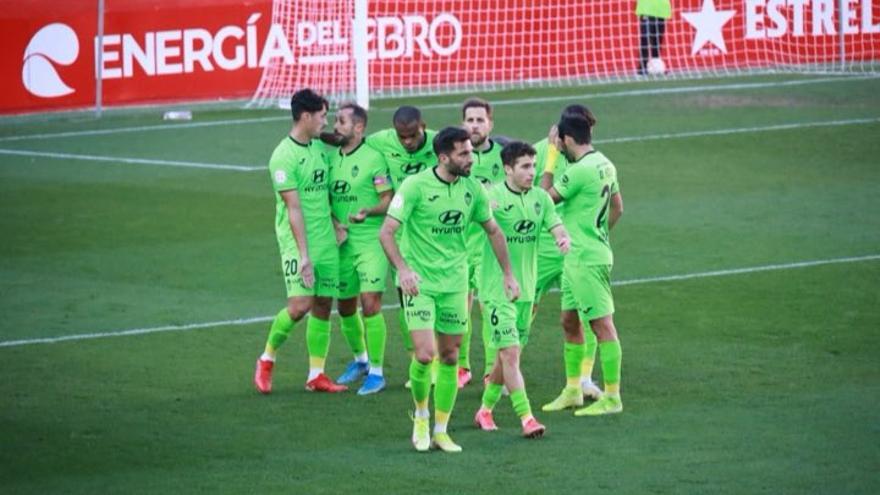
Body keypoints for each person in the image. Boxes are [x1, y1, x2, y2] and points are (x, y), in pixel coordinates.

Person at [379, 126, 520, 453]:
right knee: (425, 353)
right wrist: (404, 270)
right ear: (444, 157)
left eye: (471, 152)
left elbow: (494, 231)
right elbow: (386, 232)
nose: (471, 158)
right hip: (420, 284)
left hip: (455, 283)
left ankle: (441, 429)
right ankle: (422, 415)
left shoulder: (473, 189)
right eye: (464, 153)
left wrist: (508, 274)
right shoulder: (415, 187)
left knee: (450, 356)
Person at [473, 141, 570, 438]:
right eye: (525, 167)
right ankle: (527, 418)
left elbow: (556, 226)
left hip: (527, 292)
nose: (532, 172)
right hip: (496, 289)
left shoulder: (541, 198)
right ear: (507, 169)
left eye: (533, 166)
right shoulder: (492, 198)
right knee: (511, 354)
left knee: (508, 357)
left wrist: (562, 238)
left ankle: (484, 410)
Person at [254, 88, 346, 394]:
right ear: (305, 116)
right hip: (298, 241)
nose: (325, 121)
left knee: (322, 304)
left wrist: (335, 224)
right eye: (321, 116)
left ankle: (316, 374)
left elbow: (324, 194)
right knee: (299, 305)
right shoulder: (283, 157)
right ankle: (267, 359)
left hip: (325, 238)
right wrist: (304, 256)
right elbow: (294, 209)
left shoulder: (319, 146)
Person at [542, 113, 625, 416]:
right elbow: (618, 207)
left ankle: (613, 397)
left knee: (602, 326)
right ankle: (573, 389)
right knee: (568, 320)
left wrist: (550, 158)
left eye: (558, 142)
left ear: (565, 139)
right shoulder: (605, 163)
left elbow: (542, 200)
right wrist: (599, 234)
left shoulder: (578, 171)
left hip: (586, 259)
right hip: (578, 257)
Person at [532, 105, 603, 400]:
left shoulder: (589, 163)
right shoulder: (537, 153)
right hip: (545, 248)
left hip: (577, 250)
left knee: (586, 316)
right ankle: (499, 372)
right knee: (524, 308)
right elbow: (535, 200)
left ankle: (583, 381)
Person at [327, 103, 393, 395]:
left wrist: (369, 211)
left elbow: (388, 199)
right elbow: (322, 200)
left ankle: (377, 373)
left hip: (370, 242)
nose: (335, 125)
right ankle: (361, 361)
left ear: (359, 127)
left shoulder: (374, 158)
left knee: (370, 304)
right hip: (342, 243)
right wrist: (334, 224)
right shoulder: (331, 160)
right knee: (344, 306)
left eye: (341, 121)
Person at [367, 107, 438, 371]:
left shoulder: (439, 142)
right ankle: (418, 362)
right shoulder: (382, 140)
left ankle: (449, 364)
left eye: (412, 135)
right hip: (403, 233)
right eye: (402, 137)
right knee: (407, 299)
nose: (407, 142)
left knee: (441, 300)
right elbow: (353, 141)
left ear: (424, 126)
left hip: (436, 233)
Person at [460, 97, 506, 388]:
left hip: (489, 247)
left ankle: (492, 371)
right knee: (458, 310)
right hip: (459, 246)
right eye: (470, 120)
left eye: (480, 120)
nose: (474, 126)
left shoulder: (504, 156)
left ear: (490, 123)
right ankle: (461, 367)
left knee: (490, 310)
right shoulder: (455, 155)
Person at [636, 0, 672, 75]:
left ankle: (656, 65)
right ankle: (643, 66)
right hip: (646, 9)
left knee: (657, 40)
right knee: (645, 38)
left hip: (661, 9)